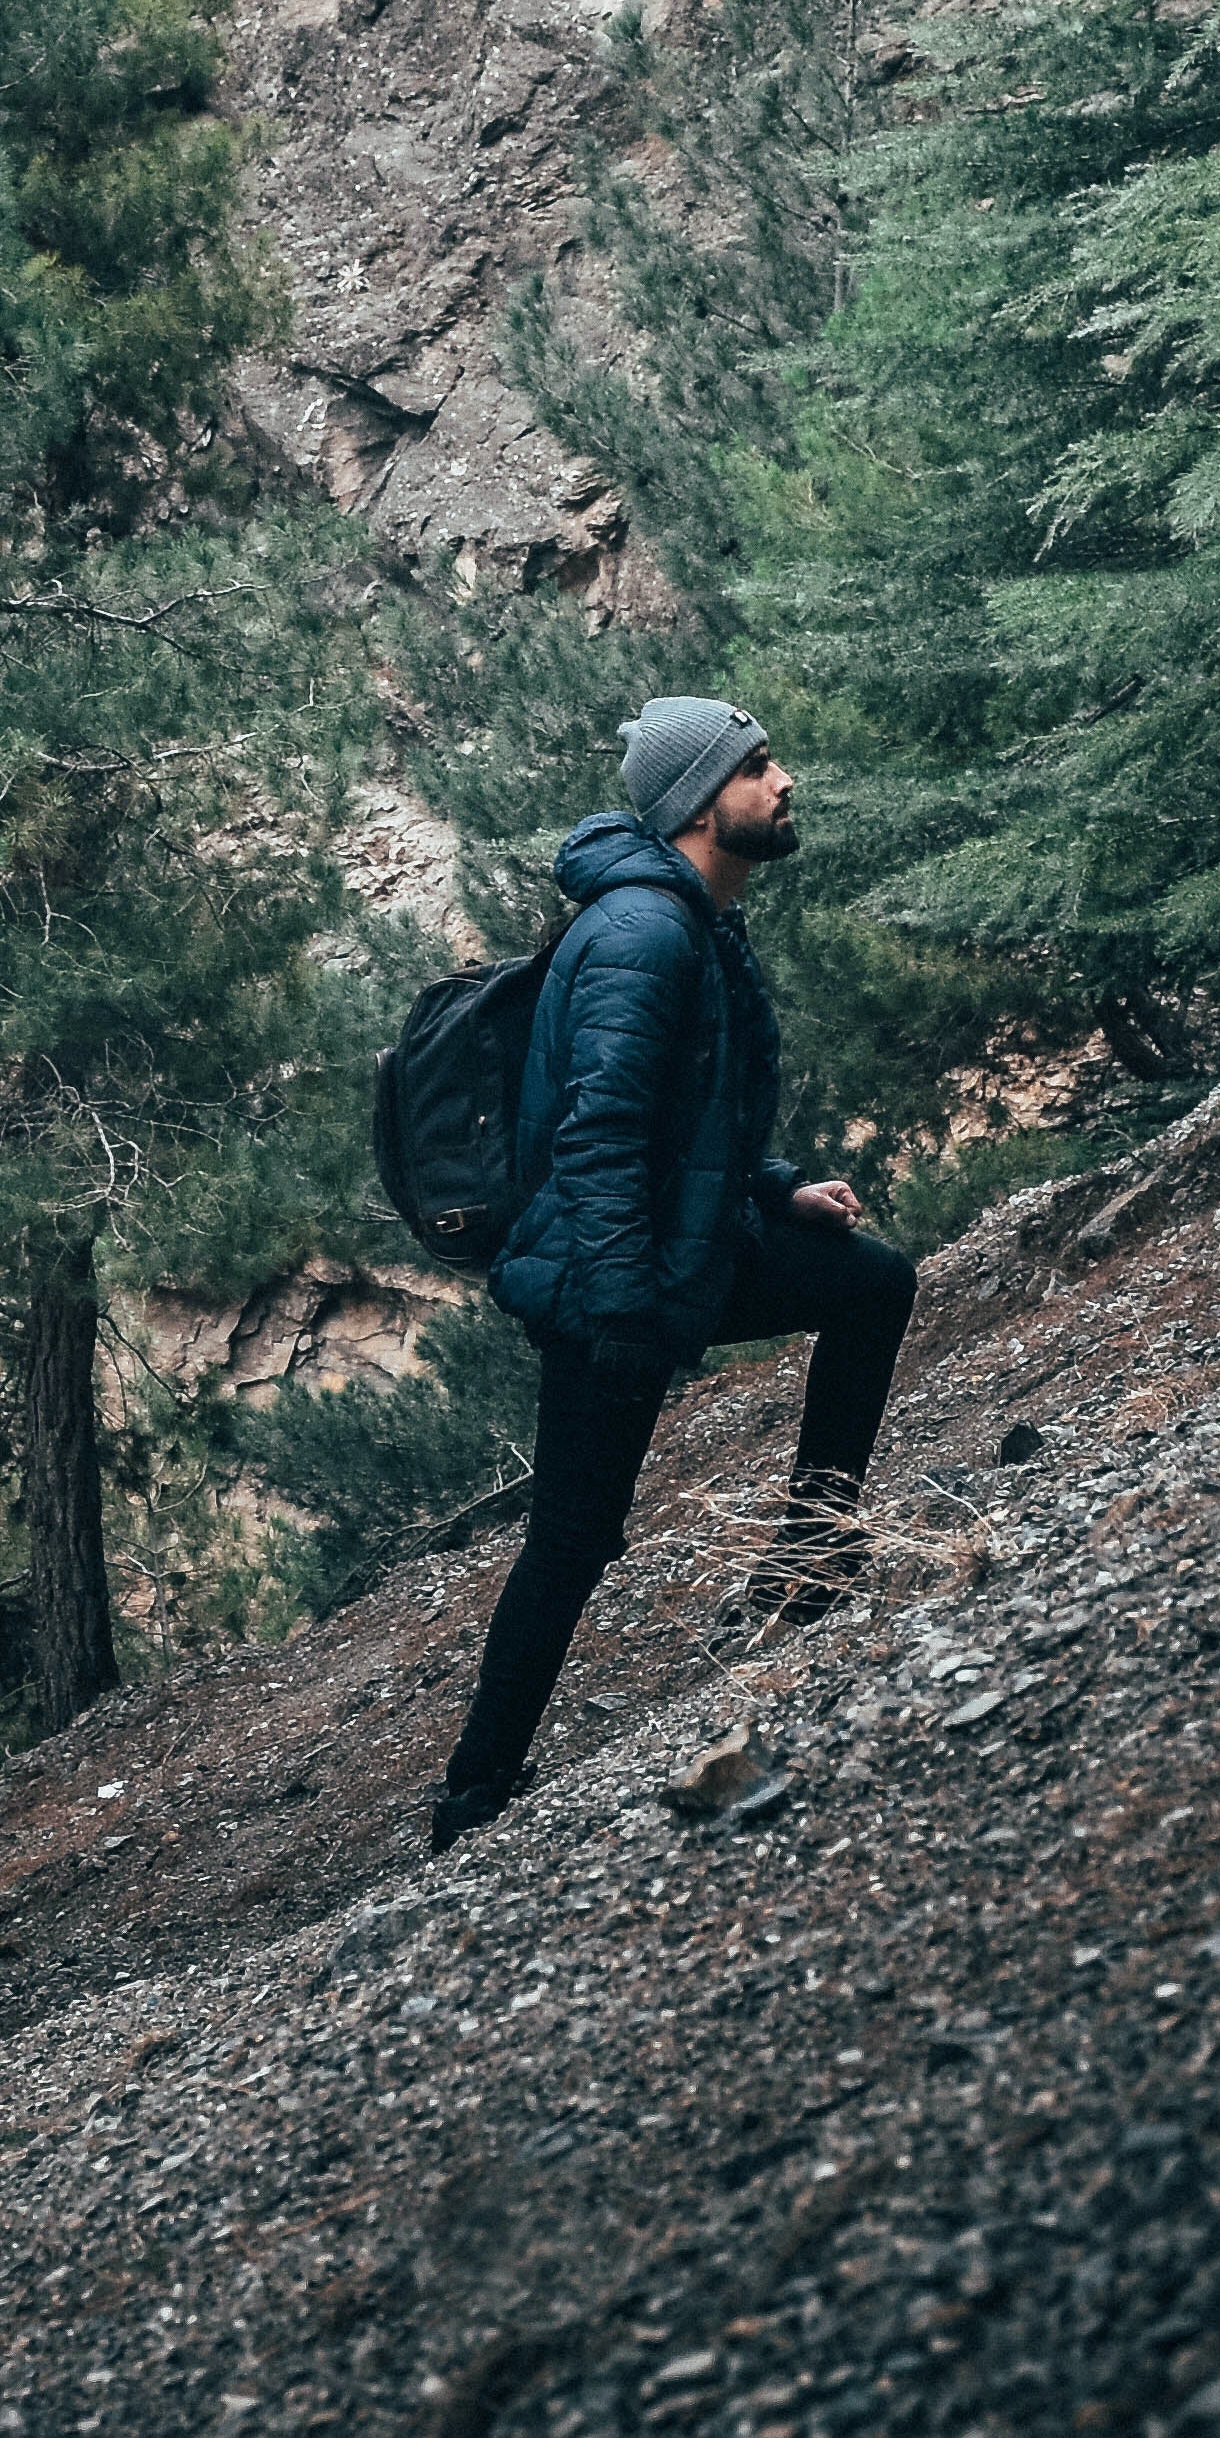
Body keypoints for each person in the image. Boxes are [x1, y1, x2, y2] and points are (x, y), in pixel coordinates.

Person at [430, 695, 917, 1853]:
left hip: (685, 1238)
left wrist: (776, 1187)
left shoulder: (699, 918)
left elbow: (692, 1117)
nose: (783, 779)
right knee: (574, 1536)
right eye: (759, 765)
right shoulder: (645, 935)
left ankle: (811, 1559)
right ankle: (473, 1796)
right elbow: (598, 1137)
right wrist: (620, 1313)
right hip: (614, 1274)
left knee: (868, 1280)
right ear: (704, 800)